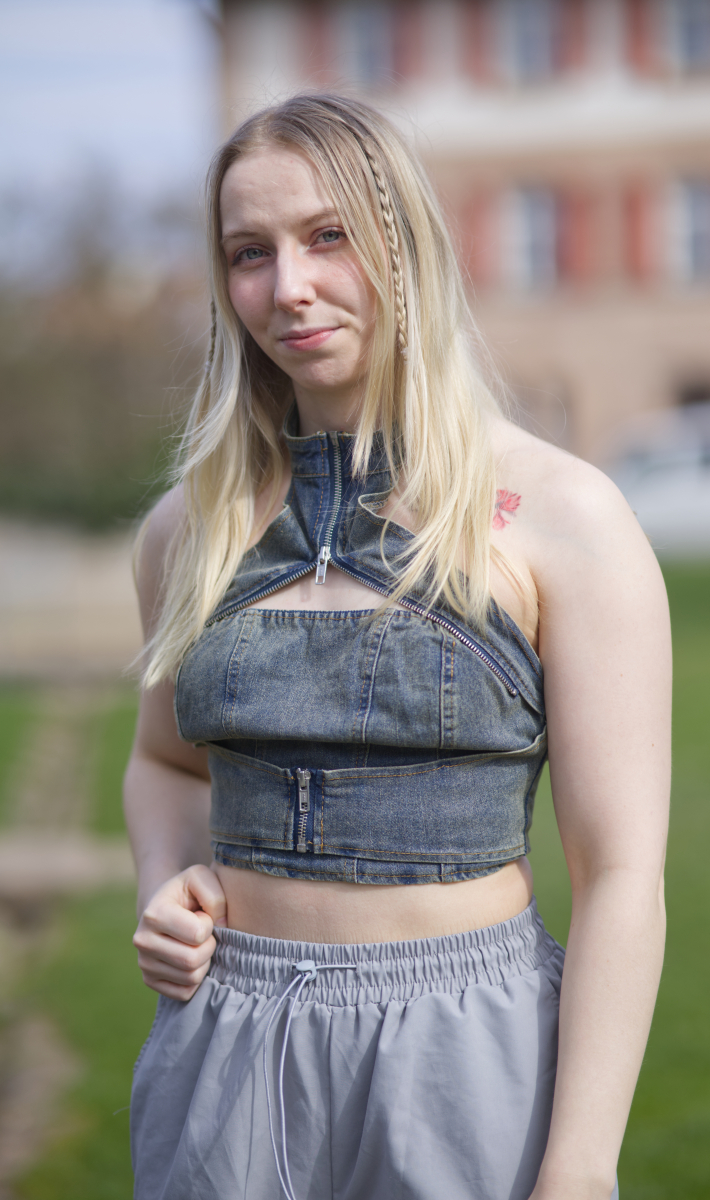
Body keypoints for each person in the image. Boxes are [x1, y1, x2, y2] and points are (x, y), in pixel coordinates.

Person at [125, 93, 670, 1200]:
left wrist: (580, 1163)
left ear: (405, 243)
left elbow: (620, 872)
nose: (288, 287)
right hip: (223, 1050)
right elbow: (164, 760)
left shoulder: (566, 518)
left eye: (327, 236)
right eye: (249, 252)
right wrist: (164, 882)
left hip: (462, 1055)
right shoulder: (190, 528)